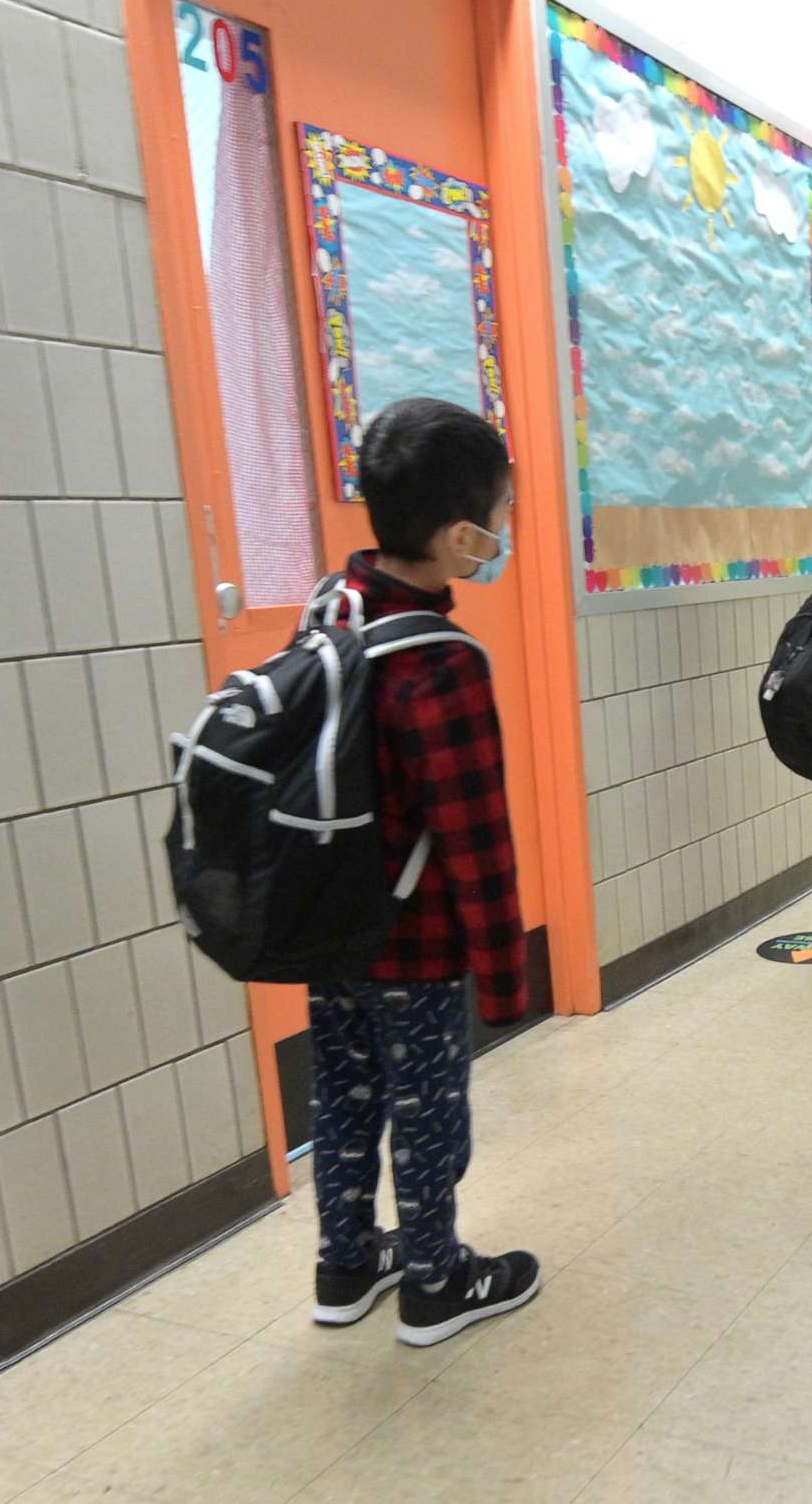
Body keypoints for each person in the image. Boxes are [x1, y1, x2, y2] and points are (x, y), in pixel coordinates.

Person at [311, 397, 538, 1346]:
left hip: (327, 925)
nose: (504, 532)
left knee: (344, 1100)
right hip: (419, 941)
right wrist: (504, 971)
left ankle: (346, 1262)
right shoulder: (442, 660)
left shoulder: (334, 604)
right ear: (458, 536)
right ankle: (439, 1281)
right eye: (501, 513)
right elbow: (475, 836)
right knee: (428, 1110)